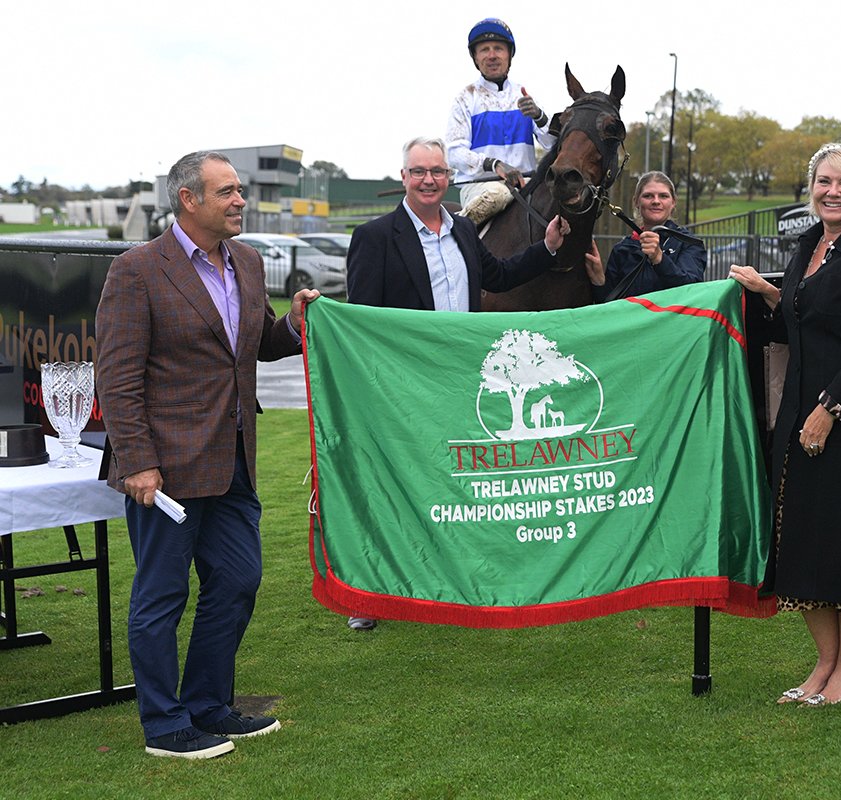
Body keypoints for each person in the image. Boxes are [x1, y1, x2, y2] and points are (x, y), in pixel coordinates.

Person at [95, 151, 320, 758]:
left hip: (234, 462)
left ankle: (207, 705)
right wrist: (137, 460)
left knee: (240, 579)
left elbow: (254, 346)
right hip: (165, 471)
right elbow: (116, 377)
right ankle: (165, 727)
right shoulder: (137, 271)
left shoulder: (246, 263)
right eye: (227, 191)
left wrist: (294, 326)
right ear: (189, 200)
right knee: (161, 596)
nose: (240, 200)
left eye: (240, 190)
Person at [343, 135, 571, 630]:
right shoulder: (376, 237)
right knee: (390, 485)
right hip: (401, 388)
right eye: (419, 172)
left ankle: (452, 578)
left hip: (457, 383)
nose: (429, 180)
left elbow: (503, 275)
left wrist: (548, 248)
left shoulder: (466, 232)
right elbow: (362, 323)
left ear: (449, 178)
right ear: (403, 178)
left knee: (454, 481)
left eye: (437, 172)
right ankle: (369, 593)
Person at [729, 143, 841, 707]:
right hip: (797, 416)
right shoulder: (810, 244)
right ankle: (826, 664)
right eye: (823, 181)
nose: (833, 191)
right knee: (803, 541)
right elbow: (808, 319)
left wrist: (830, 409)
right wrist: (769, 294)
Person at [447, 17, 556, 224]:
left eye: (498, 48)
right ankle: (456, 235)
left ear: (509, 55)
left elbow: (552, 143)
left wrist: (539, 116)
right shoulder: (465, 99)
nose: (492, 55)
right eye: (484, 50)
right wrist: (494, 164)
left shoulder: (524, 96)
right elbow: (454, 154)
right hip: (482, 187)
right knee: (498, 194)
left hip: (526, 186)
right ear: (476, 58)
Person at [584, 170, 706, 301]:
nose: (656, 201)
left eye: (663, 196)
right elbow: (610, 307)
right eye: (648, 196)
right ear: (636, 202)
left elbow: (692, 292)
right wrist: (599, 282)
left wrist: (660, 259)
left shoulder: (689, 244)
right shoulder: (622, 250)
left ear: (673, 203)